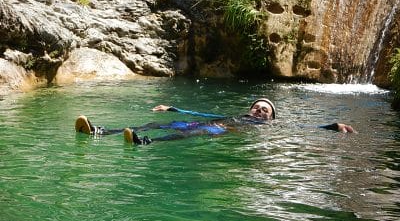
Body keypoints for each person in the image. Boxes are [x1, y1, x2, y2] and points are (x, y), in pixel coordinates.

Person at [75, 98, 355, 145]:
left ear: (271, 118)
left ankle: (144, 144)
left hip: (218, 131)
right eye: (257, 108)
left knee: (182, 136)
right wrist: (172, 108)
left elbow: (300, 128)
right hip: (207, 123)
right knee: (158, 124)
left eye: (264, 111)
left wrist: (332, 126)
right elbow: (203, 115)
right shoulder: (243, 114)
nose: (259, 112)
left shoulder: (270, 126)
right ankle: (100, 132)